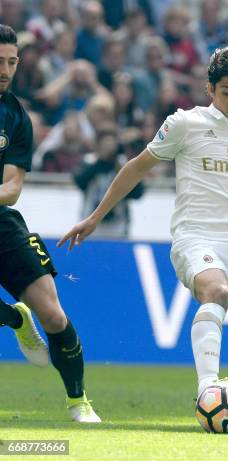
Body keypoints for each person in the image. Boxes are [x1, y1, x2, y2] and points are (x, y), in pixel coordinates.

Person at [58, 46, 228, 430]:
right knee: (216, 291)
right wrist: (94, 217)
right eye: (227, 92)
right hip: (197, 236)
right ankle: (209, 388)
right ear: (210, 89)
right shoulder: (184, 124)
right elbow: (137, 167)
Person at [0, 24, 100, 423]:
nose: (4, 70)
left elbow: (12, 188)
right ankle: (14, 318)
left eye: (10, 62)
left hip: (2, 223)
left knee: (54, 317)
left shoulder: (16, 117)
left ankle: (78, 401)